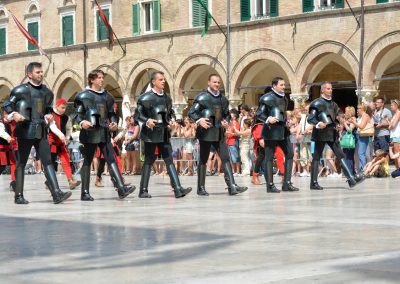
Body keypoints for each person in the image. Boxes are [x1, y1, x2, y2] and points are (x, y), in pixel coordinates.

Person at [3, 62, 72, 204]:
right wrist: (14, 114)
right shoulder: (20, 90)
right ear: (29, 74)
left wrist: (48, 116)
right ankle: (19, 196)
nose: (41, 74)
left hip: (41, 130)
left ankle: (56, 193)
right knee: (21, 163)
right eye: (37, 72)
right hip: (24, 130)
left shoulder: (47, 92)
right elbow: (7, 105)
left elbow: (47, 109)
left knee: (47, 162)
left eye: (41, 72)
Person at [74, 69, 135, 201]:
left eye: (102, 77)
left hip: (104, 132)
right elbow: (77, 115)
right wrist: (82, 122)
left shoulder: (108, 96)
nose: (102, 80)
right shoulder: (82, 96)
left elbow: (112, 114)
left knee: (111, 158)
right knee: (88, 160)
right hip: (89, 133)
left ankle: (121, 189)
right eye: (99, 77)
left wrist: (113, 123)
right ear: (92, 80)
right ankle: (84, 192)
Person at [134, 71, 192, 198]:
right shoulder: (144, 98)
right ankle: (143, 190)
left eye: (164, 79)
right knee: (149, 161)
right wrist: (147, 120)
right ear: (153, 82)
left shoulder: (167, 98)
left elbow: (169, 113)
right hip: (150, 134)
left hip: (164, 133)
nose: (163, 81)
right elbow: (137, 115)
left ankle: (177, 189)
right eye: (160, 79)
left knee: (169, 160)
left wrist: (171, 121)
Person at [188, 74, 248, 196]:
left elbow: (225, 114)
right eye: (214, 82)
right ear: (209, 83)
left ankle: (232, 186)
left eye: (218, 82)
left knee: (225, 158)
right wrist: (199, 120)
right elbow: (192, 112)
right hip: (205, 133)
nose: (216, 84)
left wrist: (226, 121)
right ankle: (200, 188)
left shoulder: (223, 99)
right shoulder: (202, 97)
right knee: (203, 160)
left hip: (219, 133)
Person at [308, 82, 364, 190]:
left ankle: (351, 179)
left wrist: (340, 124)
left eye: (331, 88)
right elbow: (310, 119)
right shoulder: (316, 103)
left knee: (340, 155)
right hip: (320, 134)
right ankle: (313, 183)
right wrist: (319, 124)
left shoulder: (333, 104)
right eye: (328, 88)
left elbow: (339, 115)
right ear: (322, 90)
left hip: (332, 133)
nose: (331, 90)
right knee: (317, 157)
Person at [256, 77, 299, 193]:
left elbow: (283, 114)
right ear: (274, 86)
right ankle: (270, 185)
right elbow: (259, 114)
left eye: (284, 85)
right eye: (281, 85)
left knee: (290, 154)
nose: (284, 87)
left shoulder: (284, 98)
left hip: (283, 131)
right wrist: (268, 118)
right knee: (269, 157)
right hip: (270, 131)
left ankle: (287, 183)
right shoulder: (266, 98)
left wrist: (287, 121)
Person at [48, 98, 81, 189]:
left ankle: (70, 181)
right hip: (52, 142)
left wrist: (67, 137)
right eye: (62, 107)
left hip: (61, 142)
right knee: (50, 163)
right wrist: (61, 136)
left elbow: (69, 128)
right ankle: (49, 181)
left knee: (66, 160)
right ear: (57, 107)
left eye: (65, 108)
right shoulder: (51, 115)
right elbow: (52, 128)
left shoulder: (66, 117)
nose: (64, 110)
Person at [350, 103, 373, 171]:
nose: (357, 110)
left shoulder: (365, 116)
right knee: (360, 153)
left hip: (363, 136)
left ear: (362, 109)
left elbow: (361, 126)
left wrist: (354, 122)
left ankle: (363, 169)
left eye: (358, 108)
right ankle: (361, 169)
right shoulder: (361, 116)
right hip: (360, 136)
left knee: (361, 153)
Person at [386, 99, 400, 168]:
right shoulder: (395, 114)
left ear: (396, 106)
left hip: (397, 136)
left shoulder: (398, 113)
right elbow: (391, 126)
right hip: (393, 135)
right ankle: (398, 170)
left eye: (392, 105)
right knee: (395, 154)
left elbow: (393, 126)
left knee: (397, 155)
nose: (391, 107)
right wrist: (388, 121)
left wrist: (390, 124)